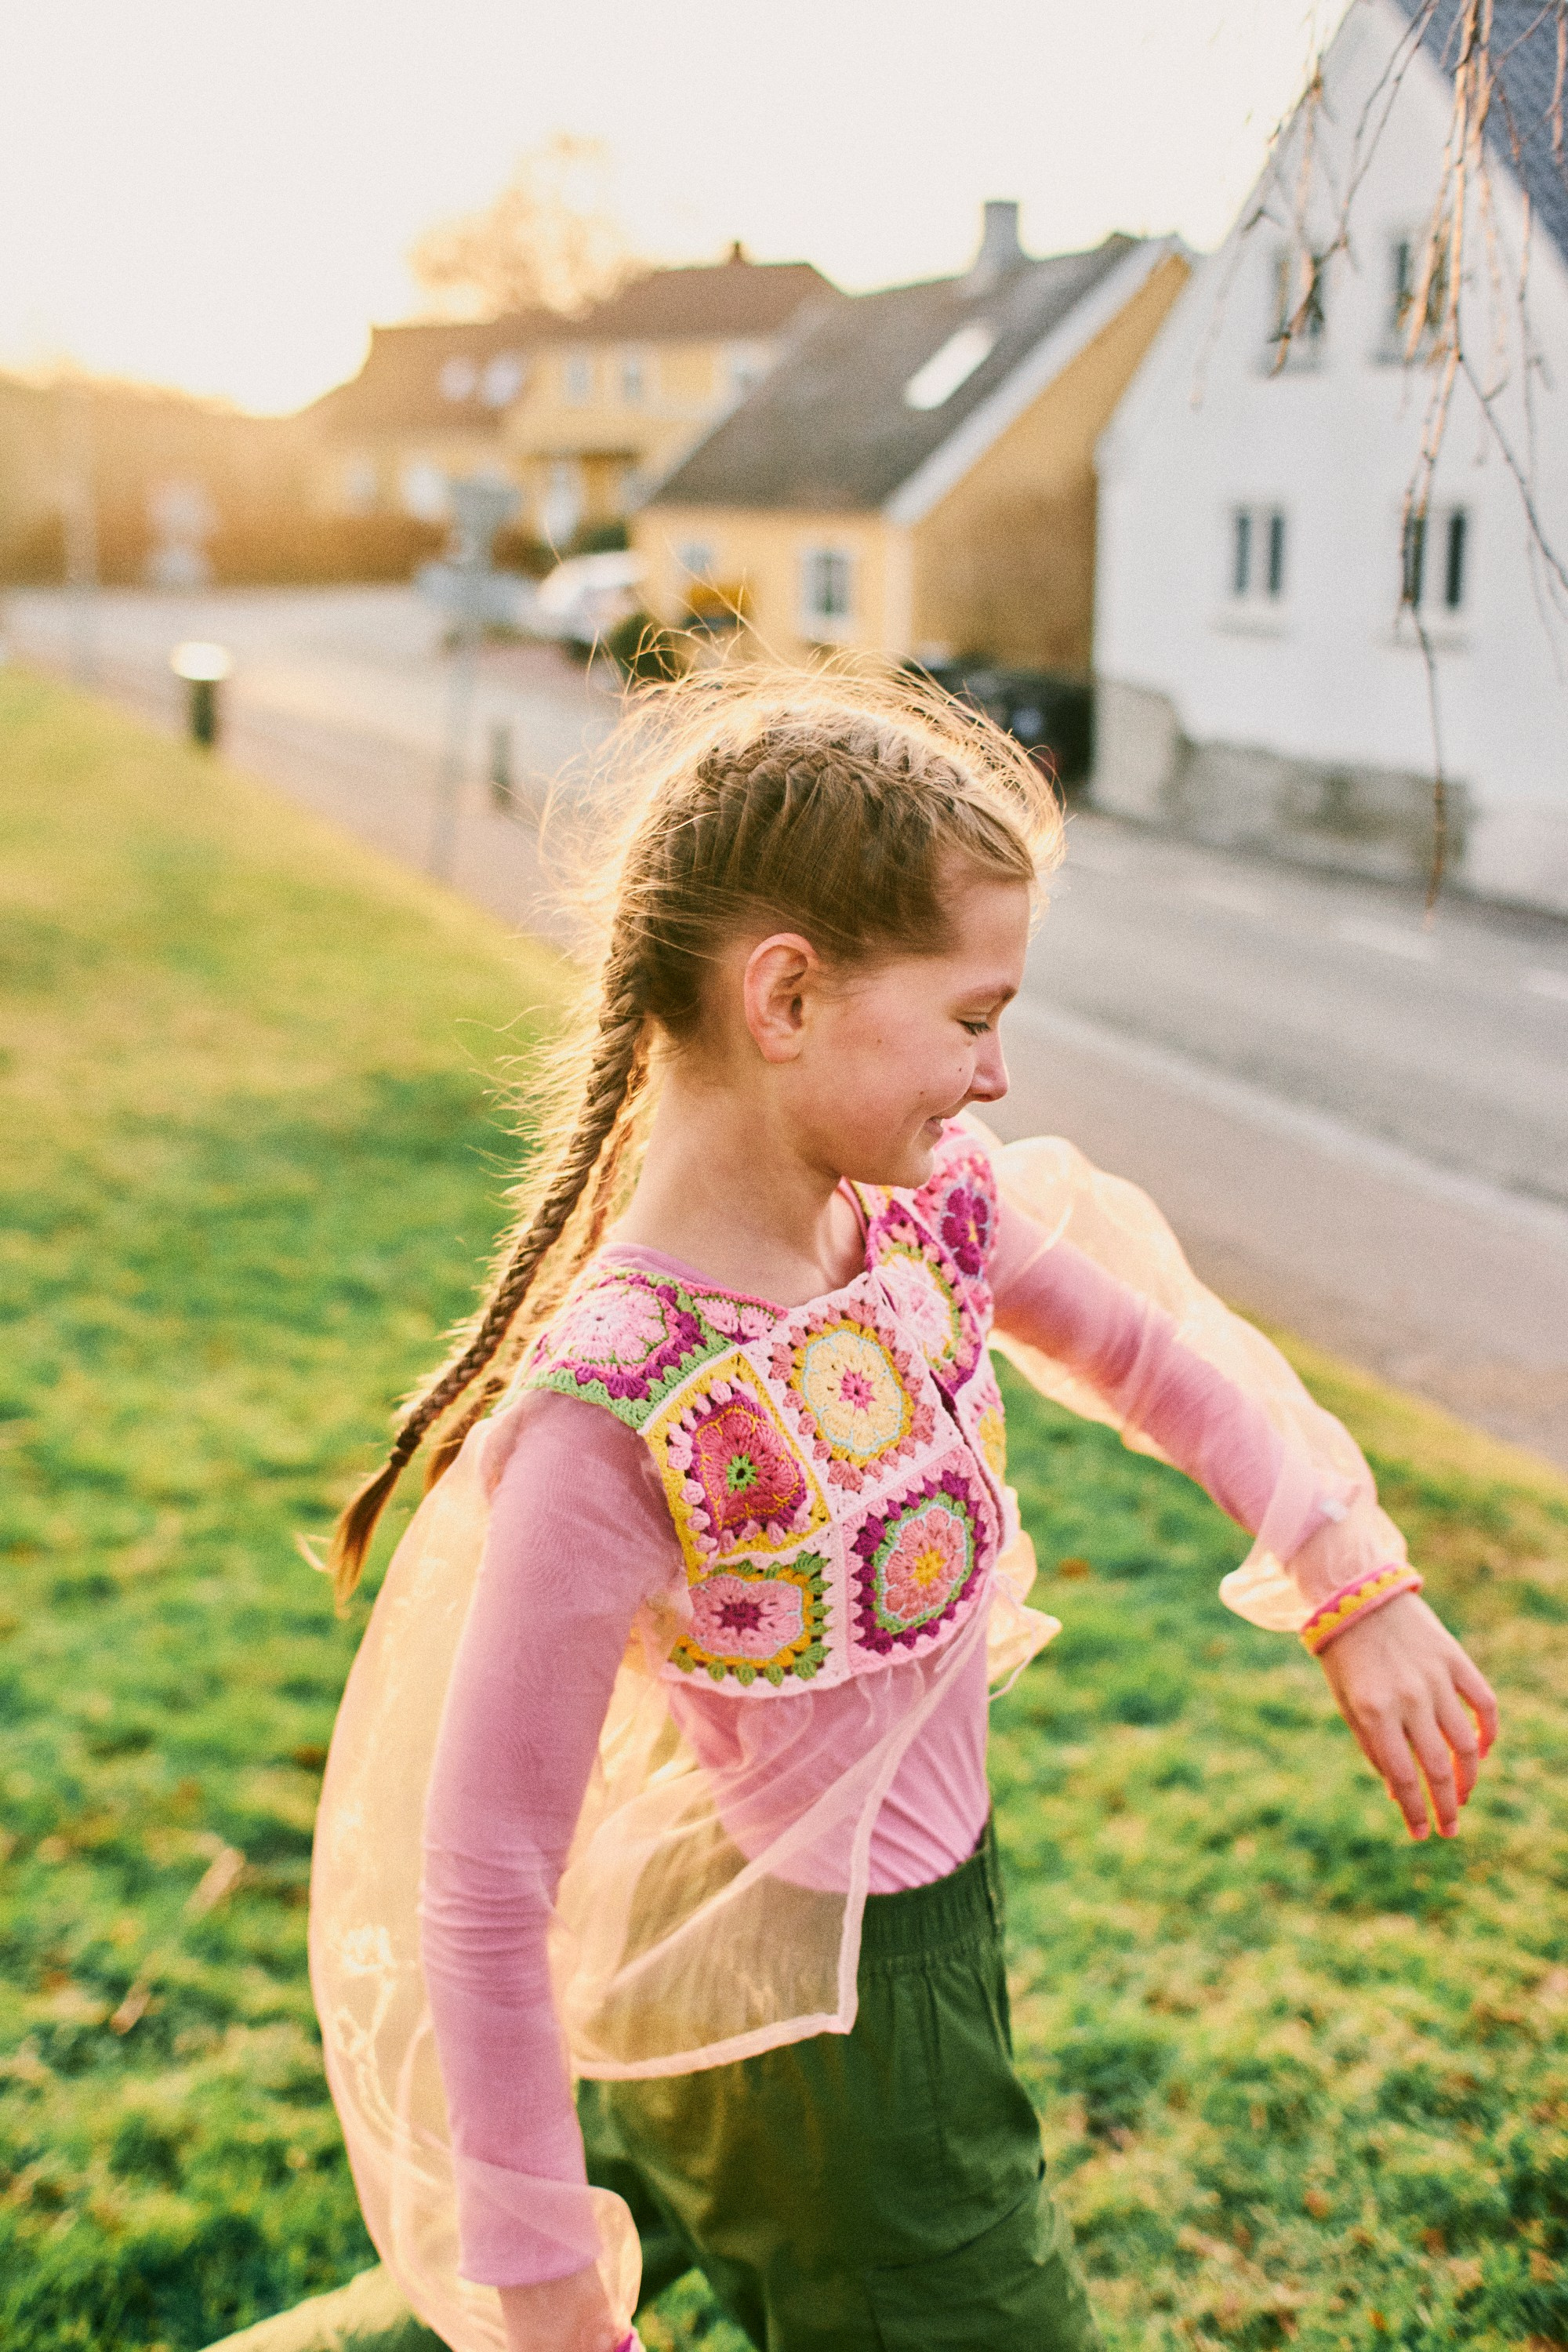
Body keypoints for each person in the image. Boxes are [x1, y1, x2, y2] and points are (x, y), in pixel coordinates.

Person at [307, 670, 1497, 2352]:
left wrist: (1346, 1578)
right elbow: (488, 1870)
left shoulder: (916, 1226)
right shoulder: (623, 1414)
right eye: (968, 1016)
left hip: (831, 1949)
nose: (998, 1075)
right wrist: (542, 2278)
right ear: (785, 995)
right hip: (846, 2047)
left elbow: (1164, 1361)